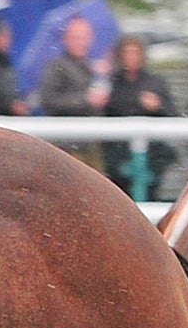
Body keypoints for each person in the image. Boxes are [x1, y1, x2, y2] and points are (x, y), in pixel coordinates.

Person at [102, 33, 179, 198]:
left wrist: (157, 107)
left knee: (149, 192)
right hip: (118, 153)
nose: (131, 57)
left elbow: (172, 114)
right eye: (127, 53)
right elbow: (105, 112)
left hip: (152, 154)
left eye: (135, 52)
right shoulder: (112, 82)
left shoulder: (155, 82)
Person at [36, 15, 107, 169]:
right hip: (66, 145)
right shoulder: (55, 66)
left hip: (90, 142)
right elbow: (48, 100)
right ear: (65, 39)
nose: (80, 42)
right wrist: (85, 99)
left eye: (83, 37)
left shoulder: (92, 67)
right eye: (75, 37)